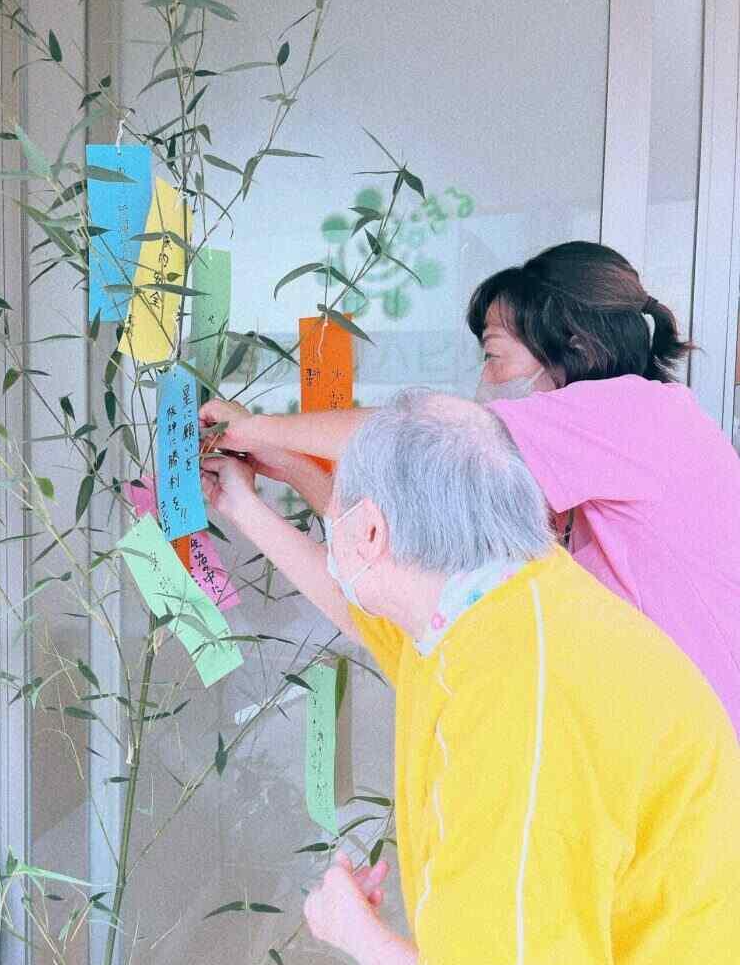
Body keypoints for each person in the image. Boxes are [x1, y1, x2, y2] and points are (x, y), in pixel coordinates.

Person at [200, 390, 740, 965]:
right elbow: (359, 605)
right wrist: (241, 505)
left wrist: (353, 933)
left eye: (336, 508)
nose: (326, 516)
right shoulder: (501, 605)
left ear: (370, 534)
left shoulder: (521, 703)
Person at [200, 242, 740, 732]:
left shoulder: (641, 416)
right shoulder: (563, 493)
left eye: (493, 355)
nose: (484, 384)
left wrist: (251, 429)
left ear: (572, 343)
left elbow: (419, 440)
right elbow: (396, 585)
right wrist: (273, 481)